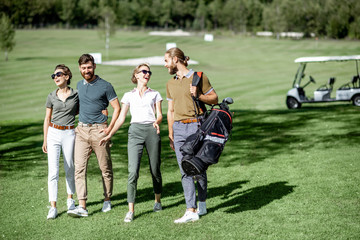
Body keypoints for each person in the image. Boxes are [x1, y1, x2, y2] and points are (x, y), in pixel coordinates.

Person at [99, 63, 163, 223]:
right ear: (136, 75)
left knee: (155, 169)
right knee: (132, 172)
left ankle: (157, 201)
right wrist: (110, 133)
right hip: (134, 132)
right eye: (144, 71)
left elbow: (160, 114)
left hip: (151, 130)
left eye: (149, 72)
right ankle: (131, 210)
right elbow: (121, 117)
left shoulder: (155, 94)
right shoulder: (128, 95)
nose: (147, 74)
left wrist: (157, 121)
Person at [164, 47, 218, 223]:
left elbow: (215, 99)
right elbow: (170, 111)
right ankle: (191, 209)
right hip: (178, 129)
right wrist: (171, 133)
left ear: (175, 60)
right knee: (184, 169)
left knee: (199, 168)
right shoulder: (170, 84)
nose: (165, 65)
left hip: (197, 126)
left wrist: (200, 96)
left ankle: (202, 203)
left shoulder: (199, 77)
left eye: (166, 61)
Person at [67, 54, 121, 218]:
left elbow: (117, 108)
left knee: (105, 168)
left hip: (100, 131)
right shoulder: (79, 85)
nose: (86, 70)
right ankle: (82, 205)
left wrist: (109, 129)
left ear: (94, 66)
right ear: (79, 69)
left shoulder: (105, 86)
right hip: (82, 131)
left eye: (89, 67)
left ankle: (107, 199)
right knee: (79, 169)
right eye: (83, 68)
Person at [42, 64, 78, 219]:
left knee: (70, 167)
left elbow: (81, 111)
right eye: (54, 75)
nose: (55, 77)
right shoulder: (51, 96)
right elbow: (47, 118)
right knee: (53, 171)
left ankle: (70, 200)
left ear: (67, 76)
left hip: (70, 133)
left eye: (58, 74)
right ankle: (53, 206)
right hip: (53, 133)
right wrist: (45, 139)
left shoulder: (76, 94)